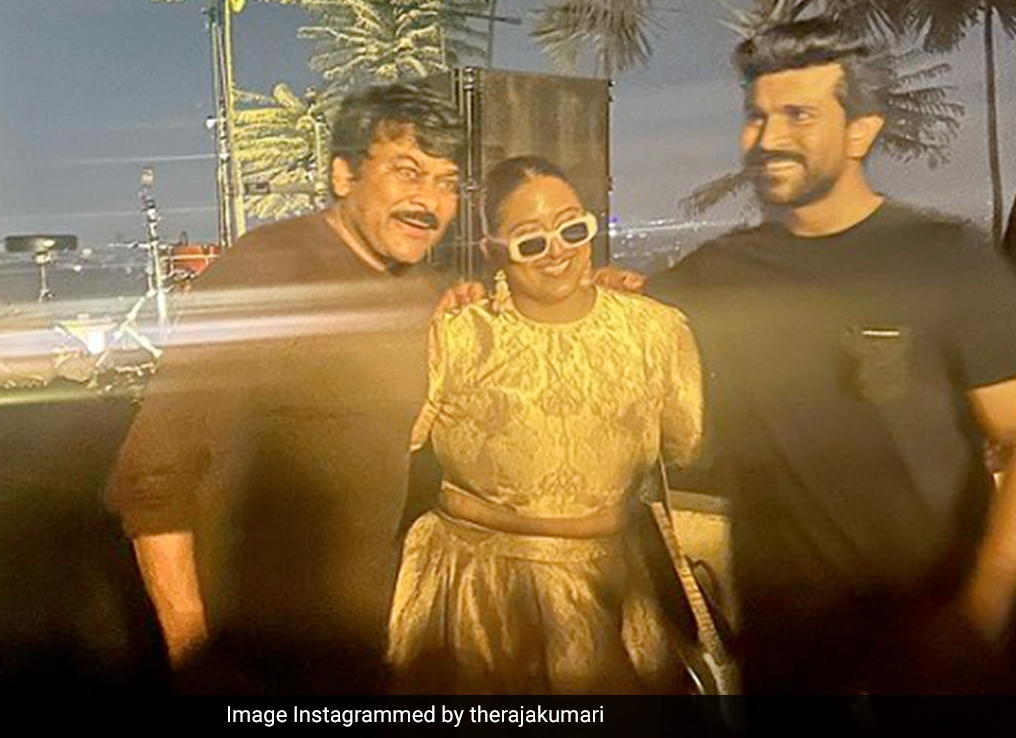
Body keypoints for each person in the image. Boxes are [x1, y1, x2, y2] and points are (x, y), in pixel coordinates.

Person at [642, 18, 1016, 693]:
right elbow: (607, 321)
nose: (768, 138)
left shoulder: (945, 260)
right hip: (786, 653)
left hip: (934, 646)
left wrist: (985, 603)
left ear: (861, 131)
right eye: (757, 116)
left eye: (799, 114)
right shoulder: (719, 272)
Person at [104, 80, 464, 693]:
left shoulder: (423, 290)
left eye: (447, 182)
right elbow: (152, 475)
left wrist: (608, 290)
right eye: (407, 172)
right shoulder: (267, 272)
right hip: (255, 652)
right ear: (344, 175)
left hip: (362, 640)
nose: (429, 200)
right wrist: (195, 658)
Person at [386, 156, 703, 694]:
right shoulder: (454, 336)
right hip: (474, 597)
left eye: (572, 229)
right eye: (530, 241)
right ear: (492, 250)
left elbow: (685, 443)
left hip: (611, 590)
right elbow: (399, 438)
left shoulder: (658, 330)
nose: (557, 250)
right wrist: (417, 319)